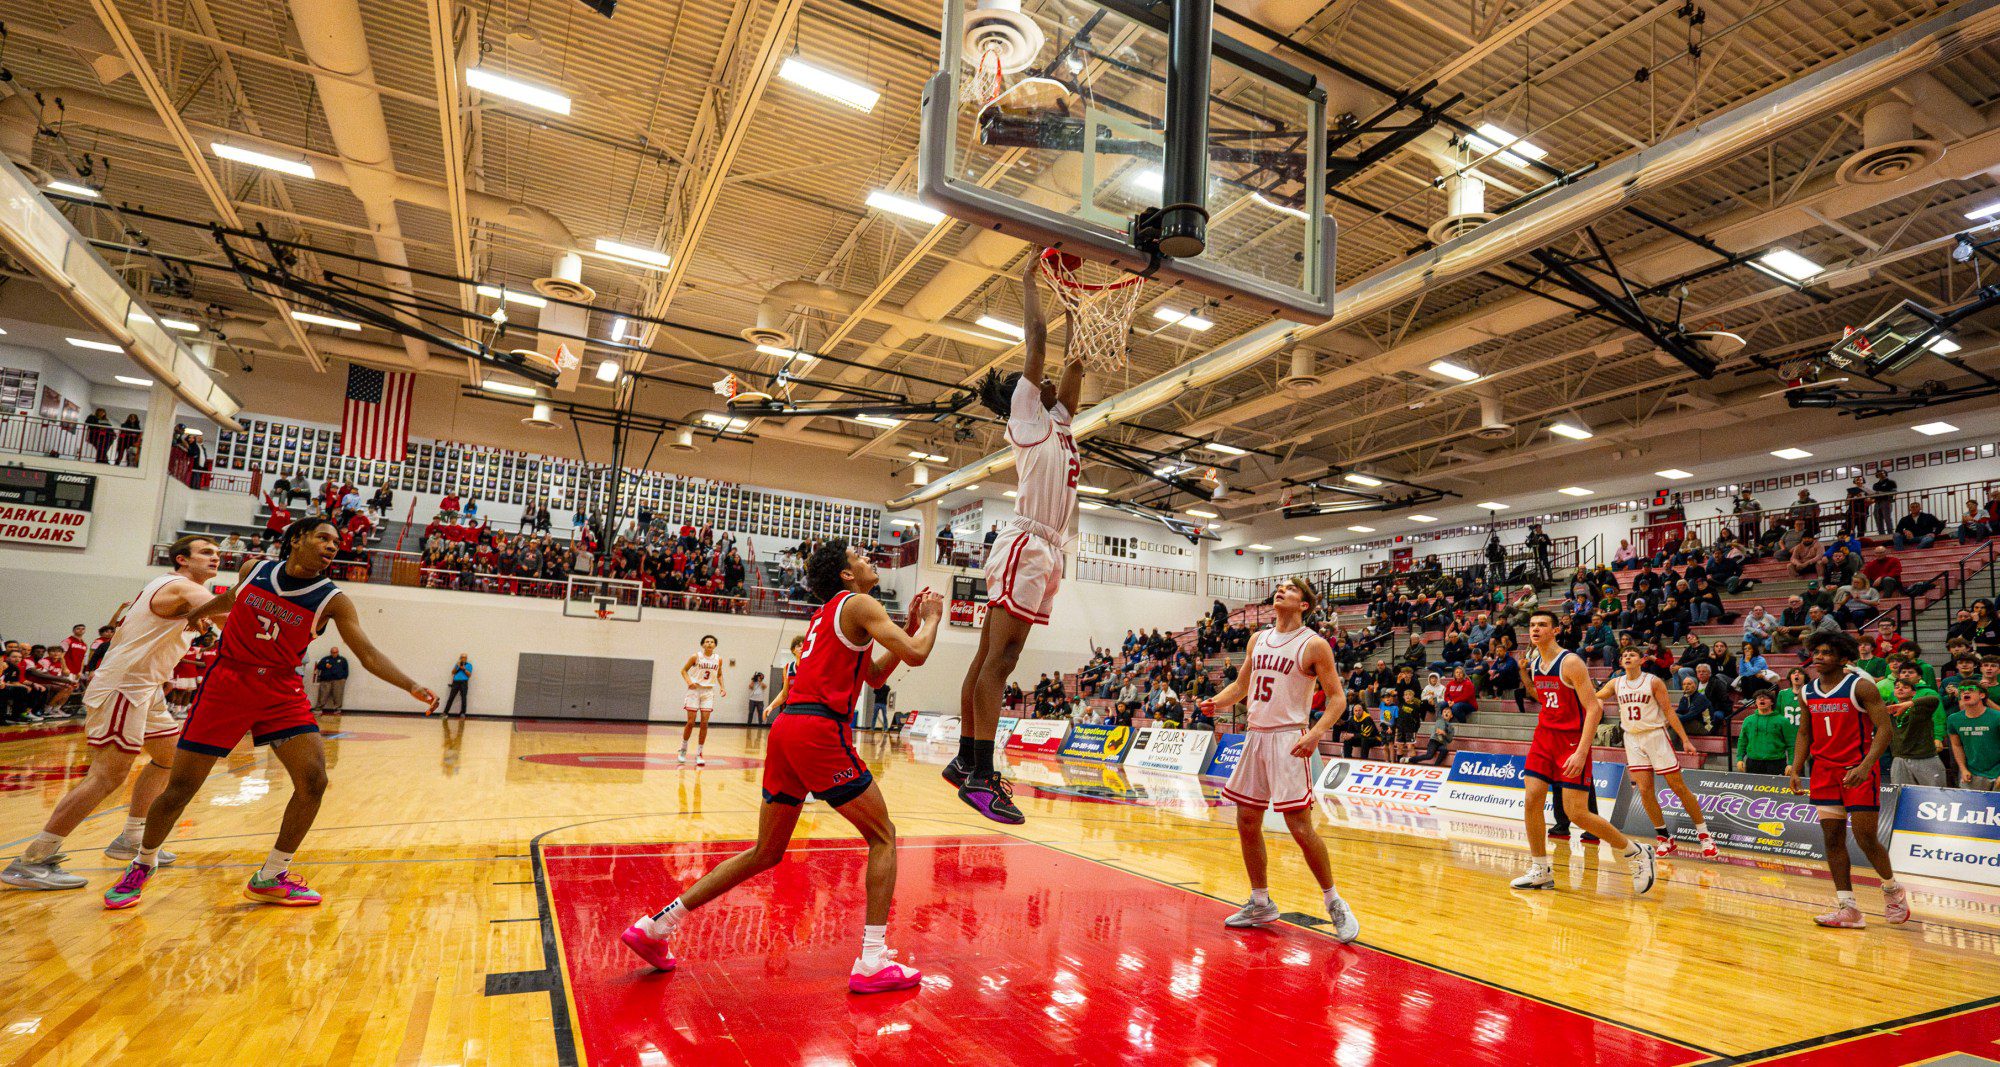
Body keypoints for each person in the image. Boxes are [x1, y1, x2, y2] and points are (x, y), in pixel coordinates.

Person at [619, 541, 943, 993]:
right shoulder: (861, 603)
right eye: (860, 557)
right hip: (818, 731)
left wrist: (908, 626)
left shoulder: (833, 611)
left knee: (765, 853)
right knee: (883, 835)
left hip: (788, 731)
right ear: (847, 575)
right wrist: (930, 620)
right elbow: (917, 653)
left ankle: (656, 928)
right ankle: (872, 960)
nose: (869, 560)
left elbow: (871, 676)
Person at [102, 517, 436, 910]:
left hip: (280, 688)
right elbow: (232, 598)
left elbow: (367, 653)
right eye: (324, 538)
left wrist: (410, 685)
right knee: (181, 788)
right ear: (297, 539)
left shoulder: (333, 599)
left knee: (313, 780)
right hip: (229, 681)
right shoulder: (255, 569)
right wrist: (201, 611)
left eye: (337, 542)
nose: (332, 546)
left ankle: (272, 875)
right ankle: (142, 864)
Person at [2, 536, 221, 891]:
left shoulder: (178, 593)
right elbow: (229, 615)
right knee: (107, 776)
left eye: (217, 554)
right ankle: (33, 859)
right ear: (182, 559)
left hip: (144, 688)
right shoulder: (181, 586)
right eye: (206, 553)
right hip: (126, 687)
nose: (215, 558)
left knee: (168, 758)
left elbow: (130, 635)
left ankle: (132, 838)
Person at [947, 255, 1083, 825]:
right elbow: (1039, 338)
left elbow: (1075, 361)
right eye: (1037, 377)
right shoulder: (1026, 416)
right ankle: (980, 774)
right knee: (999, 661)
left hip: (1047, 550)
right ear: (1022, 392)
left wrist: (1076, 300)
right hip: (1027, 543)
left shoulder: (1060, 421)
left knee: (990, 656)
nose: (1048, 379)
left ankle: (963, 761)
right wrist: (1031, 282)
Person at [1197, 577, 1360, 941]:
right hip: (1256, 736)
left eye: (1291, 588)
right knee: (1247, 819)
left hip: (1289, 738)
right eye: (1280, 586)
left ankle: (1334, 901)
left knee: (1300, 827)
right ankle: (1260, 901)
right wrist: (1216, 702)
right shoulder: (1258, 639)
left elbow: (1337, 699)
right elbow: (1241, 687)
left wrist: (1316, 734)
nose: (1281, 590)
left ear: (1304, 604)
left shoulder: (1314, 644)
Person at [1510, 610, 1657, 893]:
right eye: (1532, 625)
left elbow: (1595, 708)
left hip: (1570, 741)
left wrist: (1581, 751)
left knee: (1576, 812)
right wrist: (1524, 674)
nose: (1535, 629)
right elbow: (1545, 698)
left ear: (1555, 631)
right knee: (1531, 799)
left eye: (1542, 624)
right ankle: (1540, 868)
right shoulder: (1537, 661)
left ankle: (1636, 851)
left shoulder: (1572, 662)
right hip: (1544, 736)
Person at [1784, 632, 1908, 929]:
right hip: (1824, 772)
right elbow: (1804, 732)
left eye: (1826, 652)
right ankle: (1848, 907)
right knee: (1832, 838)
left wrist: (1866, 766)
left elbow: (1884, 729)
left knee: (1866, 838)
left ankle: (1892, 890)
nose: (1818, 656)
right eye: (1816, 651)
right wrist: (1797, 767)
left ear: (1843, 658)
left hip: (1857, 769)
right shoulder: (1807, 691)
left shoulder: (1861, 687)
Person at [1600, 649, 1716, 858]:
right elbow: (1593, 697)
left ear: (1642, 660)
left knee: (1678, 786)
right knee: (1644, 790)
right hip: (1632, 738)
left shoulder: (1653, 681)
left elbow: (1669, 711)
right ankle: (1664, 837)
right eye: (1624, 655)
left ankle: (1705, 836)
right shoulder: (1615, 683)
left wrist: (1685, 740)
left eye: (1632, 654)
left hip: (1655, 736)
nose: (1628, 657)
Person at [1886, 678, 1946, 787]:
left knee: (1936, 794)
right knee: (1901, 795)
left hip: (1924, 757)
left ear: (1914, 692)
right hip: (1899, 758)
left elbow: (1934, 700)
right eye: (1897, 687)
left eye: (1905, 687)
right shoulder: (1890, 708)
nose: (1900, 689)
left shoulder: (1921, 709)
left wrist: (1908, 704)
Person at [679, 635, 725, 765]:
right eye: (707, 642)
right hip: (695, 690)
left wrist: (722, 687)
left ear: (715, 645)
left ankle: (699, 753)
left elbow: (720, 674)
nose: (709, 643)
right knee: (691, 722)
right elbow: (683, 670)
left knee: (704, 722)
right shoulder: (696, 657)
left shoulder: (718, 659)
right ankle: (683, 748)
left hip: (708, 692)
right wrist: (689, 682)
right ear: (703, 645)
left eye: (712, 642)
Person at [1946, 684, 2000, 790]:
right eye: (1962, 691)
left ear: (1982, 695)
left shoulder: (1997, 717)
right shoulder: (1953, 719)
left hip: (1997, 771)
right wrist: (1963, 769)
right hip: (1972, 772)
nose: (1965, 692)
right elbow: (1956, 745)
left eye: (1971, 690)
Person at [1735, 690, 1796, 776]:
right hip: (1753, 762)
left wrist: (1790, 763)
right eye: (1759, 698)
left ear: (1772, 702)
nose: (1762, 699)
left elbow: (1791, 744)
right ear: (1755, 702)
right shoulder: (1748, 720)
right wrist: (1739, 758)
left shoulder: (1783, 721)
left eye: (1766, 698)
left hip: (1776, 763)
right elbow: (1742, 741)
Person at [312, 646, 349, 713]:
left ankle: (337, 709)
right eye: (332, 652)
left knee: (338, 695)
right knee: (323, 694)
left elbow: (346, 670)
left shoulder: (343, 660)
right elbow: (318, 667)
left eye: (335, 652)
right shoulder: (325, 659)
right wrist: (325, 666)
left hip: (338, 680)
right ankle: (318, 709)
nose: (334, 653)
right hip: (326, 680)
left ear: (338, 652)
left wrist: (344, 678)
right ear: (330, 652)